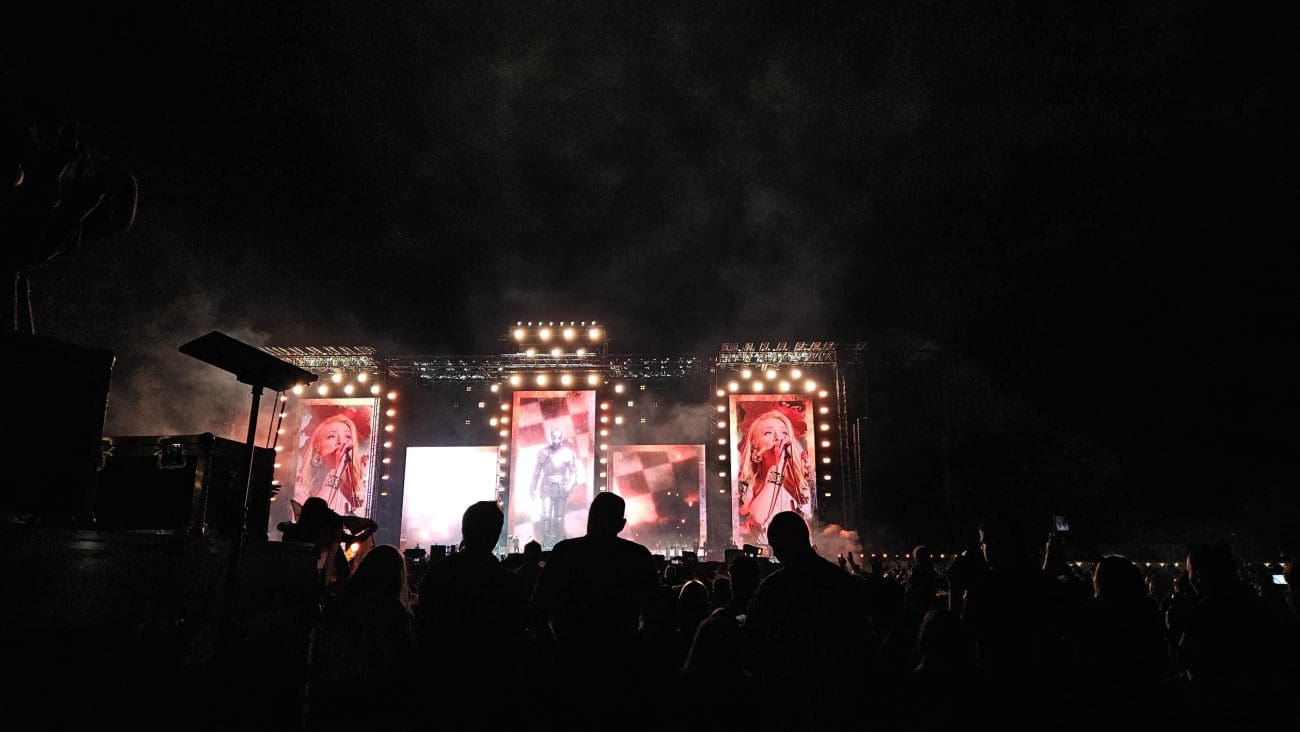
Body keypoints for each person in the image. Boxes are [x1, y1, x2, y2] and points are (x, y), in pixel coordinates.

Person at [735, 409, 811, 546]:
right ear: (755, 444)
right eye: (768, 433)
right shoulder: (748, 482)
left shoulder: (800, 480)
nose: (778, 438)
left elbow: (806, 518)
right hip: (763, 553)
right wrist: (777, 468)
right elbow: (758, 517)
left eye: (784, 433)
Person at [295, 414, 367, 515]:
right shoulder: (301, 489)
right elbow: (313, 518)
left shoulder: (363, 482)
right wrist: (336, 470)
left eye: (347, 436)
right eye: (332, 436)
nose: (342, 442)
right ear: (317, 447)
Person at [530, 427, 577, 546]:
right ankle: (546, 542)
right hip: (547, 485)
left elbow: (573, 472)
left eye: (558, 437)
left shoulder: (567, 452)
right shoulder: (544, 452)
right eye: (554, 437)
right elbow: (537, 471)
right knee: (546, 515)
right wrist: (532, 487)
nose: (556, 440)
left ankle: (558, 542)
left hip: (562, 485)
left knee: (559, 517)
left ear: (561, 438)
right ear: (551, 438)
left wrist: (570, 484)